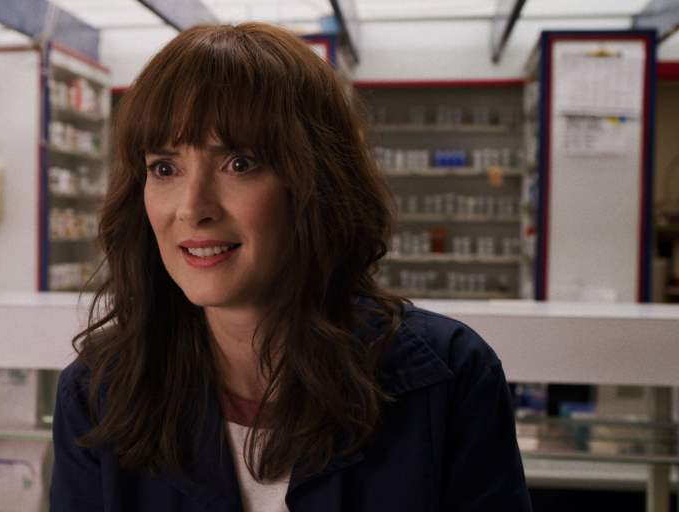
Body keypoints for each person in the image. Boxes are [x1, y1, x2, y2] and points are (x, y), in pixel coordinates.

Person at [51, 22, 532, 511]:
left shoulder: (449, 380)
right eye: (165, 168)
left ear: (316, 183)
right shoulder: (97, 396)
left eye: (239, 163)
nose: (193, 208)